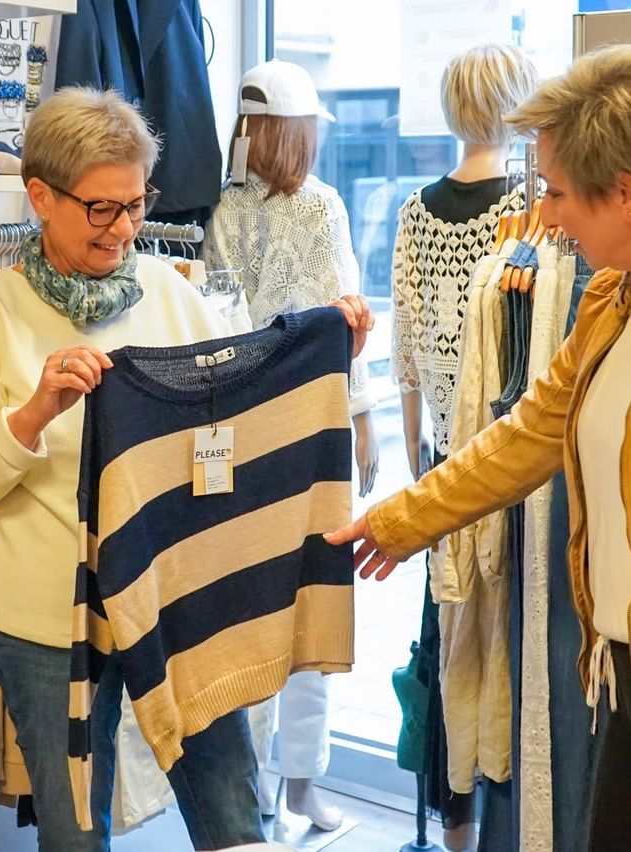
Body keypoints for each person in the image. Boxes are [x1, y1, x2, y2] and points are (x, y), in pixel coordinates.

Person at [0, 86, 374, 852]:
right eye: (102, 208)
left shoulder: (170, 290)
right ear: (40, 196)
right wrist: (32, 414)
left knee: (235, 818)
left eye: (136, 204)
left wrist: (327, 361)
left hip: (180, 599)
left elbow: (233, 418)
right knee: (74, 835)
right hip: (45, 621)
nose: (126, 228)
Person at [325, 44, 631, 852]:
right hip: (619, 660)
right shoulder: (607, 301)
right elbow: (529, 431)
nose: (548, 219)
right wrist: (403, 517)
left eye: (559, 194)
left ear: (624, 193)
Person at [202, 58, 378, 832]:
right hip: (305, 424)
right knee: (308, 595)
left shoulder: (228, 209)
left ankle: (275, 796)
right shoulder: (311, 207)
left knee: (261, 601)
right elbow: (348, 322)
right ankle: (292, 789)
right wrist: (364, 413)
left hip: (248, 425)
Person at [388, 43, 538, 850]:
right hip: (509, 463)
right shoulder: (528, 210)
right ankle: (508, 823)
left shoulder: (415, 209)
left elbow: (407, 346)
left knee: (444, 644)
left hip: (443, 465)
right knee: (505, 645)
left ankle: (454, 827)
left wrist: (417, 445)